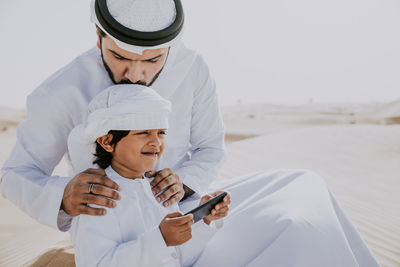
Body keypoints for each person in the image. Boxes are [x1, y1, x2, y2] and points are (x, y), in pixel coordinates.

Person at [0, 0, 379, 266]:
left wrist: (184, 187)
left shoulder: (193, 70)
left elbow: (211, 148)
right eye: (119, 56)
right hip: (115, 229)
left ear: (171, 47)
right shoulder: (60, 91)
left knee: (302, 188)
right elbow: (15, 173)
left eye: (151, 60)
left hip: (181, 211)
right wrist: (63, 196)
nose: (136, 74)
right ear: (98, 37)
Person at [68, 84, 231, 267]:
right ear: (107, 141)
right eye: (143, 132)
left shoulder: (159, 187)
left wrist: (204, 220)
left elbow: (178, 258)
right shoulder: (98, 197)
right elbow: (97, 263)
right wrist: (160, 240)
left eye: (161, 133)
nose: (156, 142)